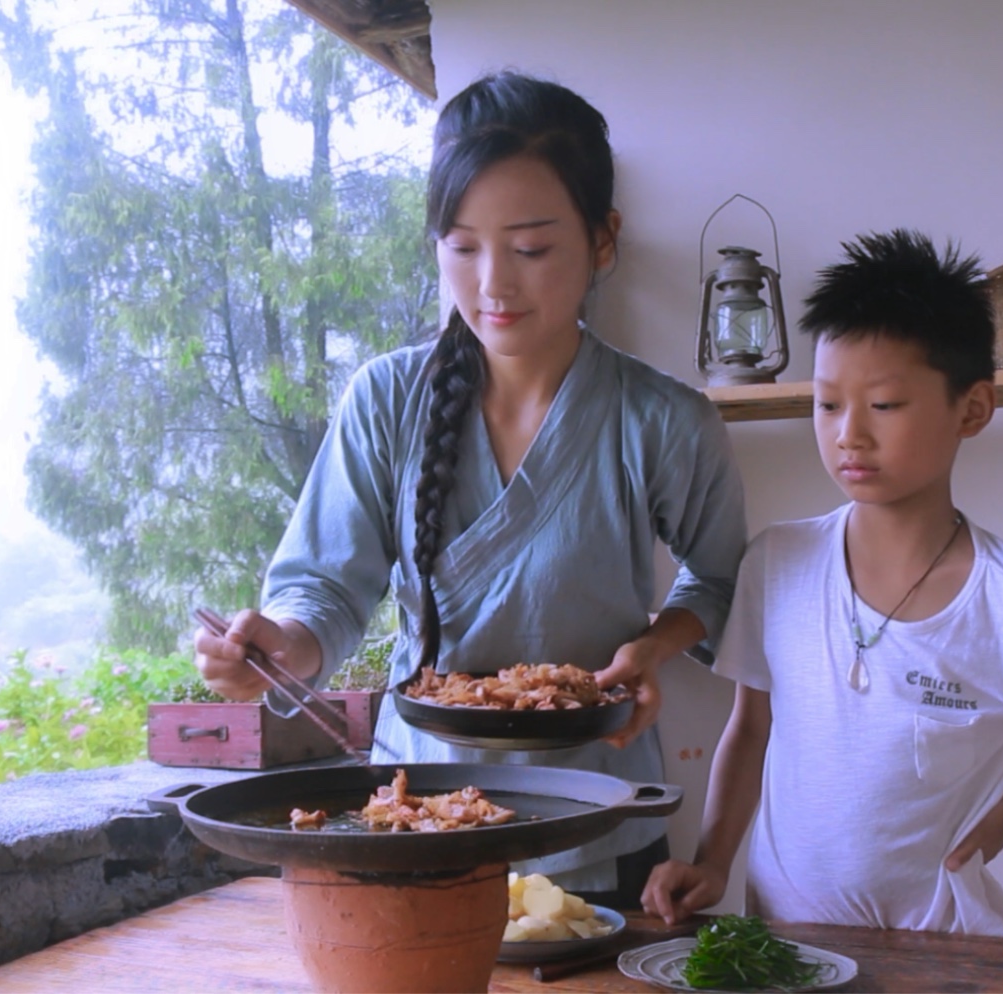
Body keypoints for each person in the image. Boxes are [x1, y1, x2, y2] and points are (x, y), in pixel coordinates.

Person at [192, 71, 747, 908]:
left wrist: (655, 646)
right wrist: (278, 648)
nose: (494, 283)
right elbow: (327, 587)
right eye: (462, 245)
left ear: (604, 240)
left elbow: (722, 580)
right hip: (420, 816)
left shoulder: (661, 419)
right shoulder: (386, 399)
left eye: (530, 248)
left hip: (600, 815)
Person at [642, 229, 1003, 935]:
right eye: (826, 405)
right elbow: (750, 725)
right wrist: (712, 861)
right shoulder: (776, 561)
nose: (848, 434)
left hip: (940, 957)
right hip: (784, 947)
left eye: (883, 406)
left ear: (971, 410)